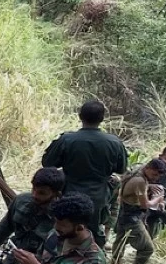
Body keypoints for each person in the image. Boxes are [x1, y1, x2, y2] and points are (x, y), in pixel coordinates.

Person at [41, 100, 127, 246]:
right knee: (93, 231)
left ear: (80, 116)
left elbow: (48, 163)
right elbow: (121, 168)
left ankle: (57, 260)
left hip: (69, 191)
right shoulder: (114, 142)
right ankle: (93, 261)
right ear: (102, 119)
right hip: (99, 195)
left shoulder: (67, 139)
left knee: (63, 229)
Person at [111, 157, 166, 264]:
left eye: (159, 175)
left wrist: (150, 186)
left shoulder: (138, 172)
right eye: (154, 174)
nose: (156, 177)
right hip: (132, 218)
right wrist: (158, 199)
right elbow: (145, 205)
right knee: (148, 248)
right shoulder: (140, 181)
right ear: (148, 168)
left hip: (124, 213)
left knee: (120, 242)